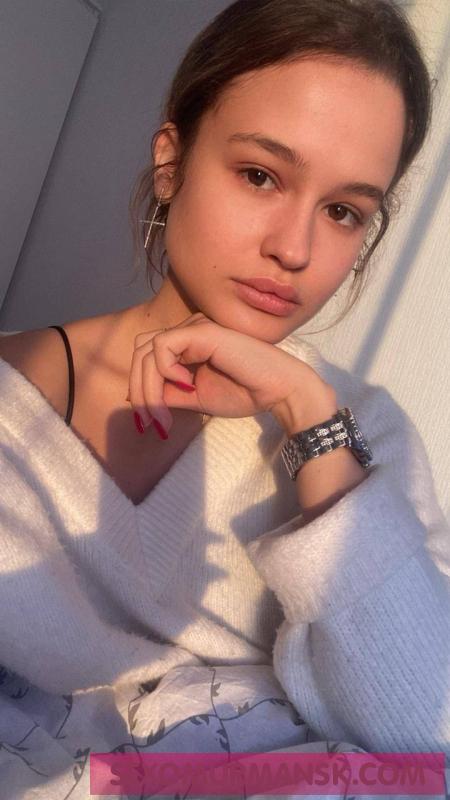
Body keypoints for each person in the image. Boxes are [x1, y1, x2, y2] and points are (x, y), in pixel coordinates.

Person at [0, 0, 449, 797]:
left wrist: (309, 422)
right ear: (170, 162)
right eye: (260, 175)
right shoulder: (12, 405)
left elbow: (428, 738)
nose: (294, 249)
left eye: (343, 211)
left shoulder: (358, 437)